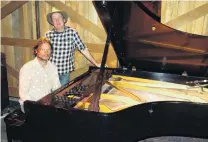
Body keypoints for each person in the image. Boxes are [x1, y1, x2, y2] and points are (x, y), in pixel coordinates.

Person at [45, 11, 100, 86]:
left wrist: (95, 63)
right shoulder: (48, 34)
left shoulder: (72, 33)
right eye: (54, 19)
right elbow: (43, 53)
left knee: (62, 93)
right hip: (50, 72)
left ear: (64, 20)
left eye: (59, 18)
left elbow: (83, 49)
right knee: (49, 94)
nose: (57, 20)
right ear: (52, 22)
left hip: (65, 73)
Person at [19, 37, 61, 112]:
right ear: (36, 51)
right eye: (43, 49)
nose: (46, 52)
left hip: (48, 105)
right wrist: (36, 108)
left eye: (48, 50)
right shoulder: (27, 68)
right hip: (32, 106)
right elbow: (23, 95)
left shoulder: (53, 67)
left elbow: (57, 88)